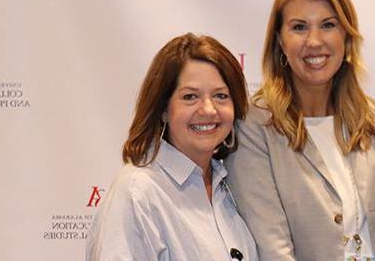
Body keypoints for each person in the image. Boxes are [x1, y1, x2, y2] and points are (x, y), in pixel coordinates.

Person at [225, 0, 375, 261]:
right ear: (280, 40)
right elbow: (272, 248)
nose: (314, 41)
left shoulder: (373, 117)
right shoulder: (255, 125)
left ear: (346, 36)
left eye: (328, 25)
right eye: (299, 27)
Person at [86, 33, 258, 261]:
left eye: (220, 96)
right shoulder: (137, 194)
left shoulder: (228, 191)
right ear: (164, 109)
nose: (208, 109)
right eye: (190, 97)